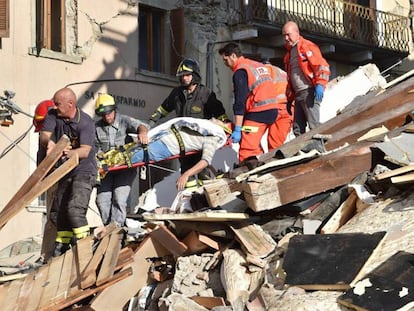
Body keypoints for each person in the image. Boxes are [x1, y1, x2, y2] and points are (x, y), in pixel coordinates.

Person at [148, 58, 230, 188]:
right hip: (184, 143)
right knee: (188, 179)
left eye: (187, 75)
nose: (185, 78)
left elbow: (221, 115)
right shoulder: (176, 94)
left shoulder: (206, 94)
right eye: (182, 76)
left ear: (195, 75)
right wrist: (150, 123)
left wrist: (228, 127)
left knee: (204, 176)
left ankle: (207, 203)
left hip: (200, 142)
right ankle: (191, 205)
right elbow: (163, 109)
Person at [97, 117, 230, 191]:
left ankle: (102, 167)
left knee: (133, 156)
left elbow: (205, 161)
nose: (218, 120)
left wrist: (186, 174)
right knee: (130, 148)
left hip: (166, 147)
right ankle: (104, 159)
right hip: (165, 134)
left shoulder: (213, 137)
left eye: (223, 121)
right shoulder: (205, 127)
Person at [40, 87, 97, 257]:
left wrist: (70, 152)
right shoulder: (52, 115)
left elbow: (86, 151)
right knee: (59, 211)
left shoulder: (85, 122)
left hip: (84, 171)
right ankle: (62, 246)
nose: (55, 107)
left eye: (58, 104)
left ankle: (84, 245)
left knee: (74, 209)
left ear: (70, 104)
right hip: (65, 171)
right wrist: (49, 143)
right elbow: (44, 135)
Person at [218, 42, 281, 162]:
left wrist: (237, 128)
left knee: (247, 149)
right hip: (273, 110)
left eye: (226, 60)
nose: (226, 64)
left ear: (233, 56)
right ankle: (262, 165)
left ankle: (249, 176)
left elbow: (239, 102)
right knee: (256, 146)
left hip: (258, 112)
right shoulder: (255, 65)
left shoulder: (241, 71)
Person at [94, 93, 149, 226]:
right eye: (103, 115)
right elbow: (93, 148)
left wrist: (142, 133)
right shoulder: (96, 127)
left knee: (119, 198)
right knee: (102, 201)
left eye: (109, 113)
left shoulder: (124, 120)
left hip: (125, 168)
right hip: (106, 170)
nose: (107, 117)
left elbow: (141, 125)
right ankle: (109, 228)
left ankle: (117, 229)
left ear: (114, 110)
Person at [282, 20, 330, 136]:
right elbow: (290, 78)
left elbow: (321, 66)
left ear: (296, 32)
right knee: (298, 128)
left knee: (314, 125)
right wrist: (289, 98)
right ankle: (302, 150)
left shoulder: (307, 46)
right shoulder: (288, 55)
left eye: (288, 34)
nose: (286, 38)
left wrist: (320, 84)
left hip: (309, 91)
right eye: (284, 35)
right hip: (299, 94)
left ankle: (320, 149)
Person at [33, 99, 57, 262]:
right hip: (52, 180)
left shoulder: (67, 128)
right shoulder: (44, 138)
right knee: (52, 219)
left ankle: (58, 252)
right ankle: (47, 255)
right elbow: (40, 159)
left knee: (68, 216)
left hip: (68, 178)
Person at [263, 60, 293, 147]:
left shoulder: (266, 69)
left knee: (252, 138)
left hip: (274, 106)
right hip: (288, 108)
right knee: (277, 144)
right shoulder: (283, 73)